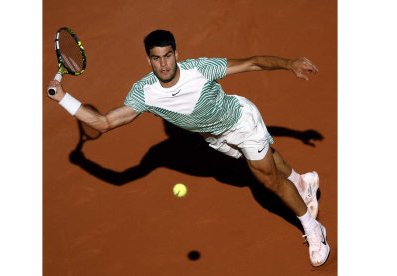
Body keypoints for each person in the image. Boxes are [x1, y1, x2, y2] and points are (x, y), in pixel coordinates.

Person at [47, 29, 330, 267]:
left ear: (176, 54)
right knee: (269, 159)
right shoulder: (144, 93)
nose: (164, 64)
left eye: (168, 55)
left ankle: (313, 228)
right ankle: (302, 182)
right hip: (216, 138)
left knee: (267, 178)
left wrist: (289, 62)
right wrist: (63, 99)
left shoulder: (199, 69)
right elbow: (105, 122)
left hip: (241, 121)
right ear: (149, 59)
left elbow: (253, 62)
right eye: (156, 58)